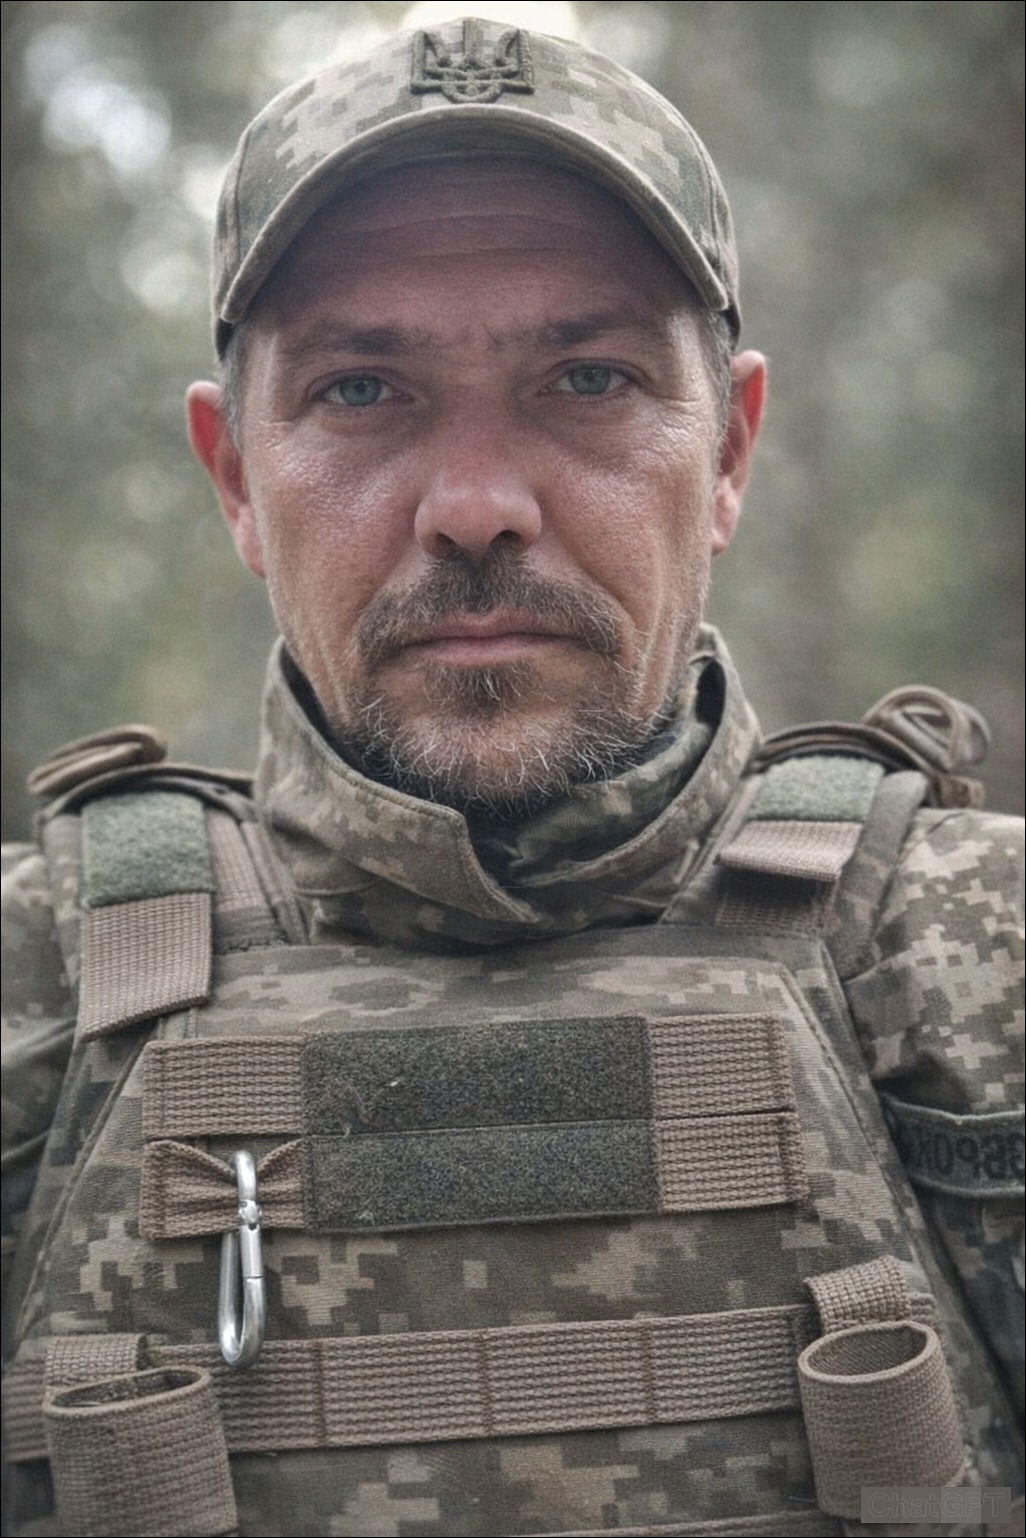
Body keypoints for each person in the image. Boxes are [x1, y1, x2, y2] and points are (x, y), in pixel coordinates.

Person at [2, 16, 1022, 1537]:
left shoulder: (982, 964)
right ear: (234, 476)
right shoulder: (34, 984)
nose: (476, 509)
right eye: (362, 390)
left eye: (588, 377)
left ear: (728, 451)